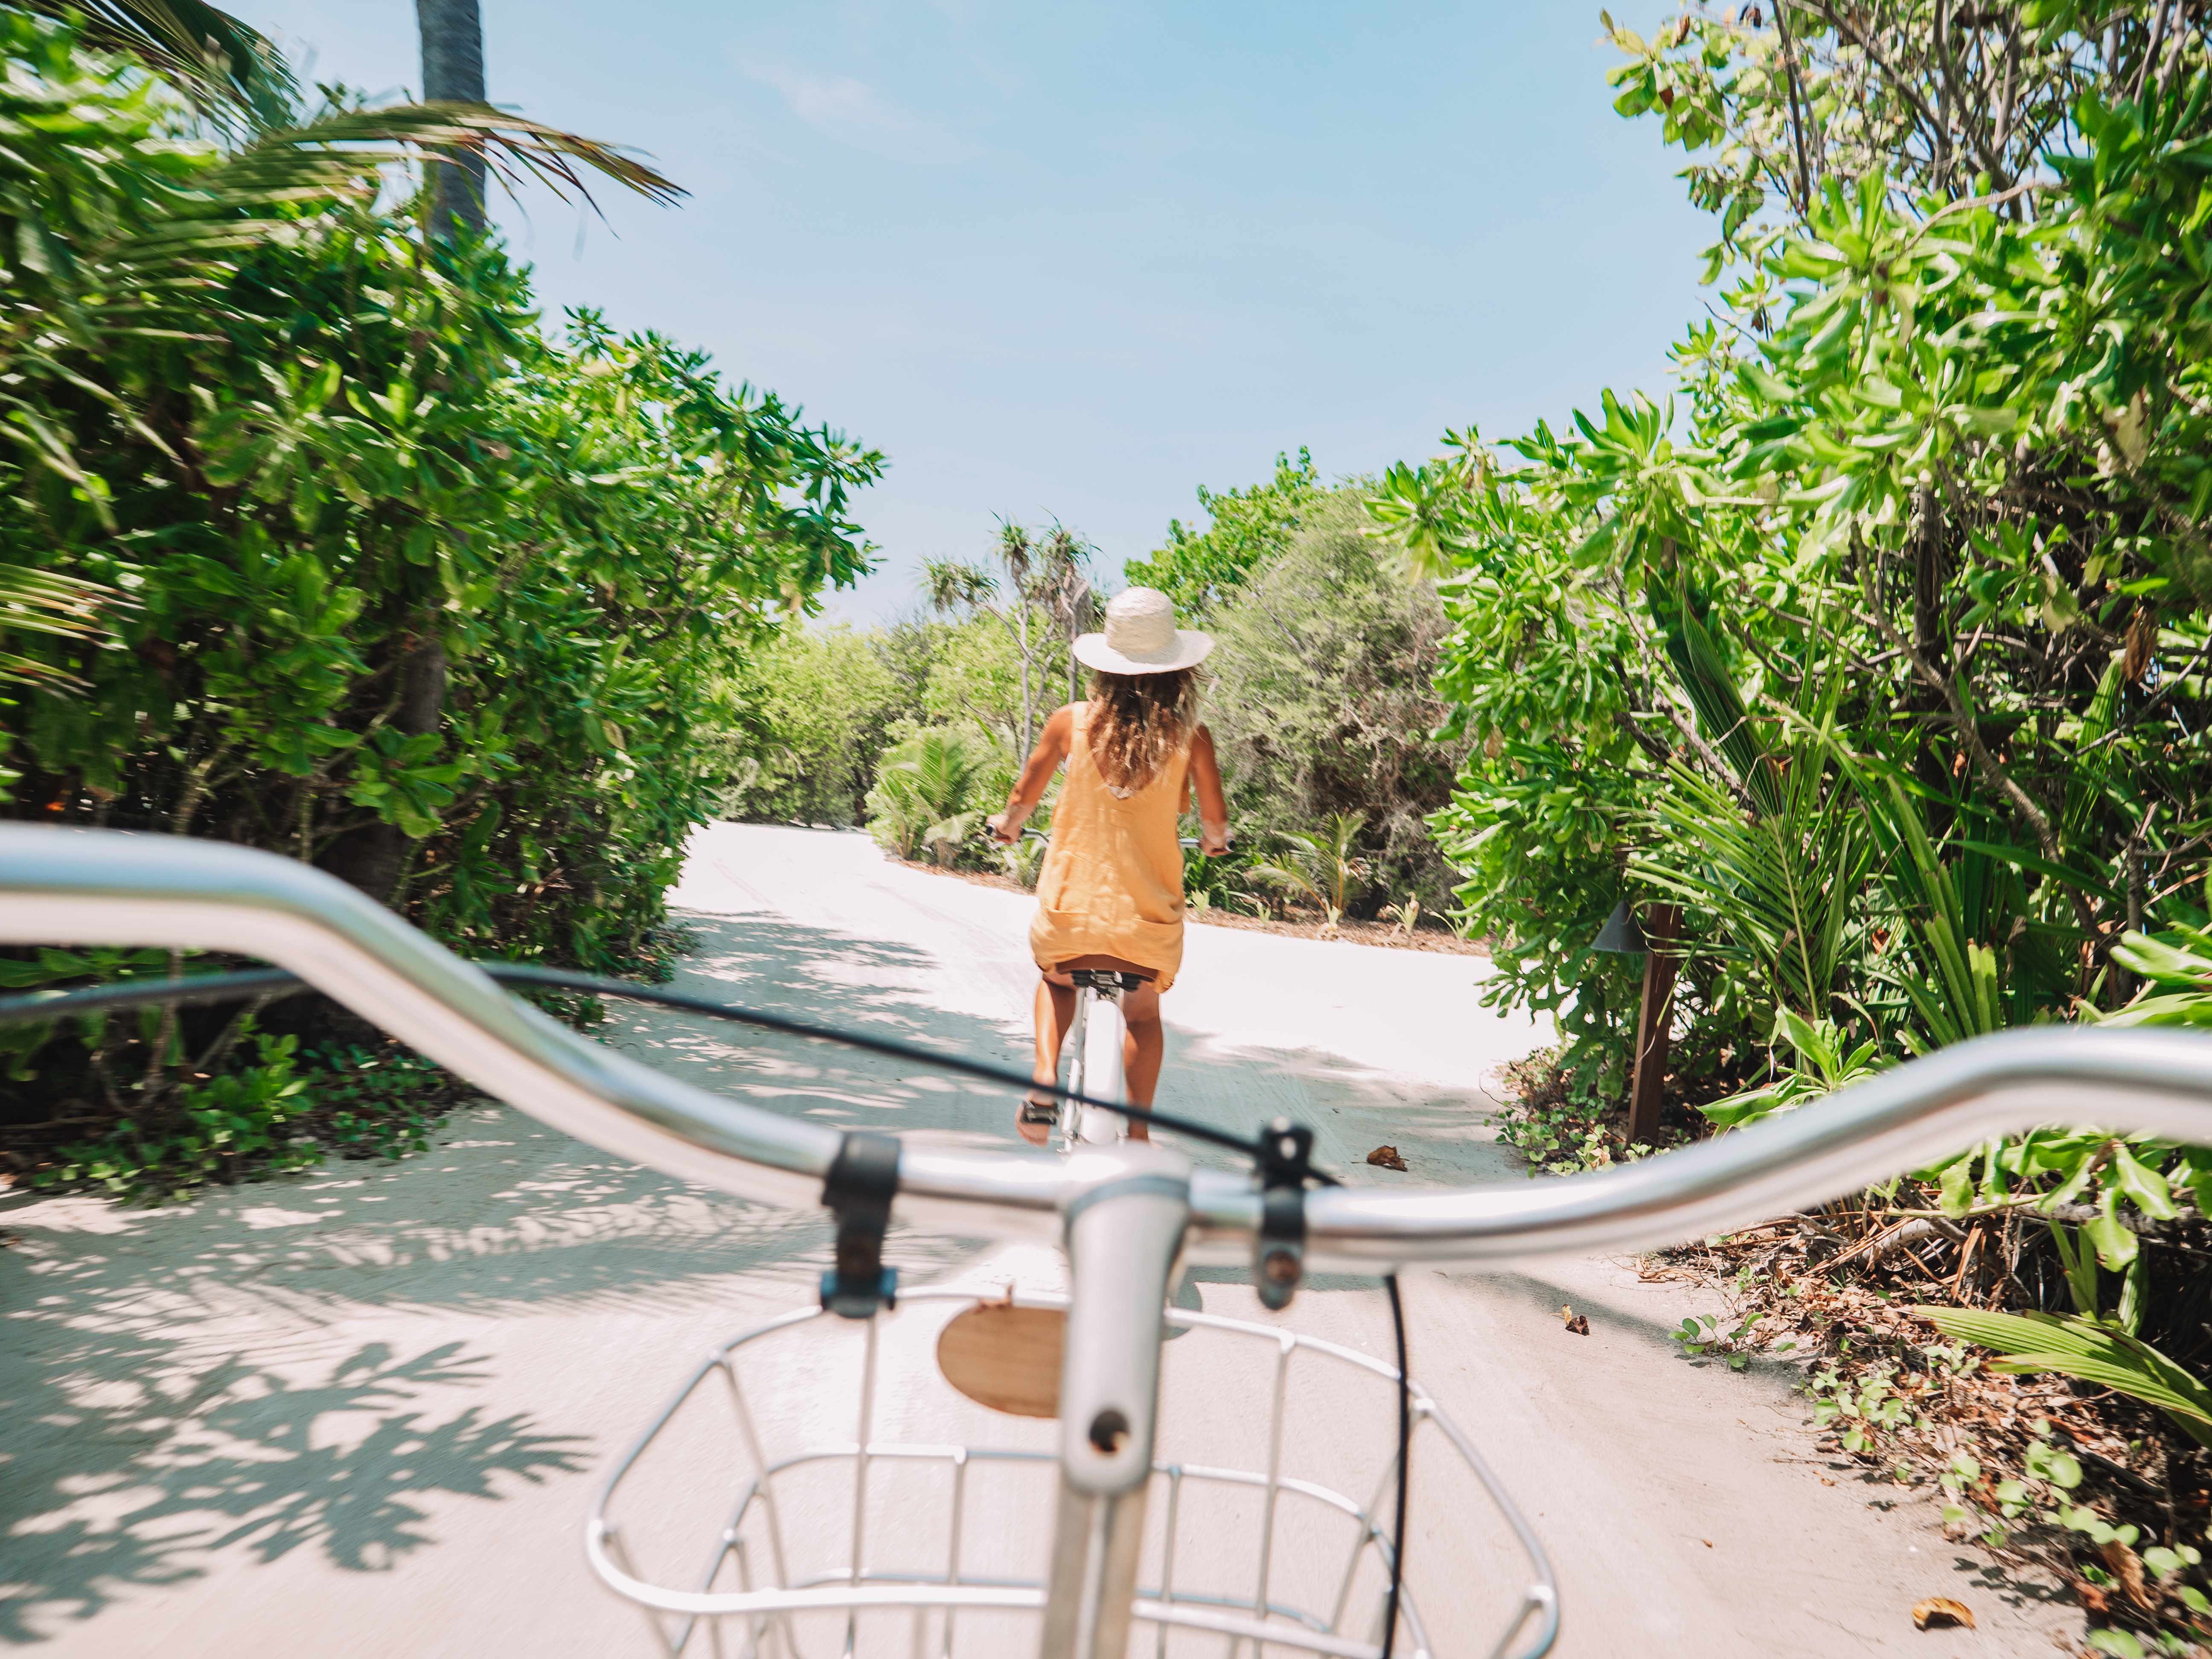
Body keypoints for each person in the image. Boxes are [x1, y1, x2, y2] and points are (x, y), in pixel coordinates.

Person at [987, 587, 1231, 1145]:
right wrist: (1215, 842)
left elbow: (1024, 795)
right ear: (1179, 672)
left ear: (1106, 666)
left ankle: (1045, 1077)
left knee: (1056, 980)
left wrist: (1009, 825)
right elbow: (1213, 821)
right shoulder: (1192, 739)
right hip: (1147, 923)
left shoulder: (1067, 723)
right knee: (1142, 1014)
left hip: (1070, 912)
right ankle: (1139, 1136)